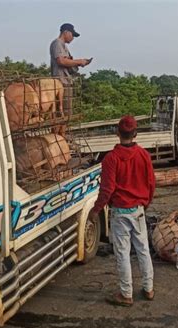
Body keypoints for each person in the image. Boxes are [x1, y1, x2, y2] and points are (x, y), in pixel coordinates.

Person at [88, 115, 155, 307]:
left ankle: (126, 294)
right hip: (139, 210)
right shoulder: (144, 155)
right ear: (135, 133)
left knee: (123, 253)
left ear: (118, 133)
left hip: (120, 213)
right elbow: (151, 184)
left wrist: (96, 210)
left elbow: (107, 190)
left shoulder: (111, 159)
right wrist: (144, 204)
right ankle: (148, 288)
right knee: (143, 250)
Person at [49, 23, 91, 116]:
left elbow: (66, 62)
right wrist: (79, 61)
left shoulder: (63, 45)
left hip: (66, 81)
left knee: (66, 113)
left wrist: (77, 63)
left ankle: (62, 130)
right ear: (66, 32)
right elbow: (61, 61)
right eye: (72, 35)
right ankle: (60, 130)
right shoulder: (57, 43)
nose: (73, 38)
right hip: (61, 81)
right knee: (63, 114)